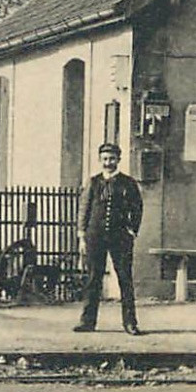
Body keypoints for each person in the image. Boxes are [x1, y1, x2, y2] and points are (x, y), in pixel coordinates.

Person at [74, 142, 144, 335]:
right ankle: (88, 322)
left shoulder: (128, 183)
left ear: (118, 160)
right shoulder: (93, 182)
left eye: (112, 159)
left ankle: (130, 323)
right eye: (104, 159)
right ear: (99, 160)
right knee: (93, 279)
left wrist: (132, 230)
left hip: (120, 237)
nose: (108, 162)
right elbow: (84, 209)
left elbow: (137, 208)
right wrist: (82, 235)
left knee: (125, 279)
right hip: (94, 236)